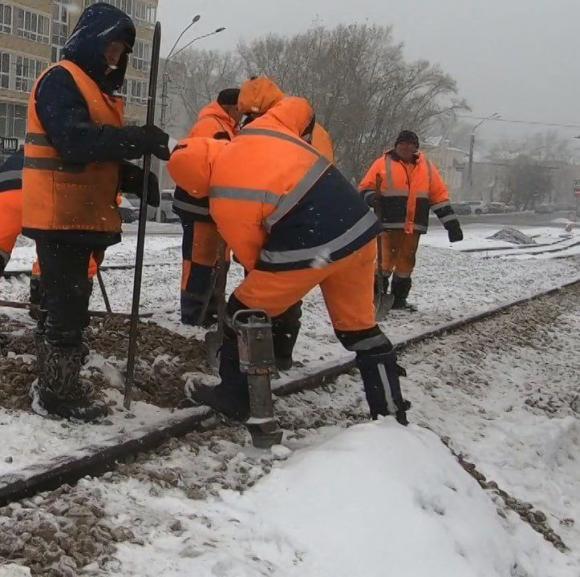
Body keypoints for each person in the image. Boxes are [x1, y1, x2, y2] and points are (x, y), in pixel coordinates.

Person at [172, 97, 411, 426]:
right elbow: (299, 107)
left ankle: (234, 396)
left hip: (312, 240)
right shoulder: (260, 130)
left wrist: (273, 298)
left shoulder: (224, 196)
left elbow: (254, 257)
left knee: (243, 309)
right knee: (360, 330)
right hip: (359, 230)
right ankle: (390, 411)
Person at [21, 3, 169, 421]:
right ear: (90, 40)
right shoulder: (61, 81)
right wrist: (135, 141)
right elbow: (74, 142)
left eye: (121, 51)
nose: (115, 57)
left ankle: (54, 382)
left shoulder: (95, 89)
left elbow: (91, 153)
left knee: (64, 304)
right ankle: (57, 394)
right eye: (110, 46)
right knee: (67, 310)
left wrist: (128, 176)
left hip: (80, 213)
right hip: (60, 214)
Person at [359, 130, 464, 310]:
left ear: (416, 147)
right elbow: (365, 188)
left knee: (406, 264)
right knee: (384, 263)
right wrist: (370, 197)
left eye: (410, 144)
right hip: (388, 224)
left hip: (413, 225)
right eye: (402, 143)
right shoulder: (382, 163)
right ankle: (376, 296)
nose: (406, 147)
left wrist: (451, 224)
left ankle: (399, 299)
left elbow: (438, 196)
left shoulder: (427, 168)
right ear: (396, 145)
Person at [173, 89, 241, 325]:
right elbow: (212, 167)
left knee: (214, 260)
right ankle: (194, 314)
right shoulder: (213, 126)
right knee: (199, 261)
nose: (242, 114)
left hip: (208, 208)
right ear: (231, 108)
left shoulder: (226, 127)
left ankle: (209, 311)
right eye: (240, 109)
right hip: (200, 207)